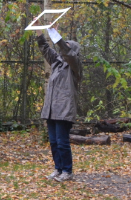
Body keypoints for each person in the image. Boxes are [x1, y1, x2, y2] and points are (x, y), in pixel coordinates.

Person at [36, 27, 83, 182]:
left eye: (67, 46)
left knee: (62, 143)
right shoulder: (57, 63)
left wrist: (56, 35)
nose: (64, 49)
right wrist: (39, 30)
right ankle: (58, 169)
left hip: (64, 110)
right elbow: (45, 48)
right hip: (51, 110)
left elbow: (68, 53)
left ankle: (67, 172)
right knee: (54, 142)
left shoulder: (75, 67)